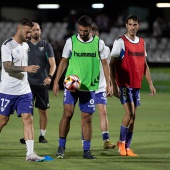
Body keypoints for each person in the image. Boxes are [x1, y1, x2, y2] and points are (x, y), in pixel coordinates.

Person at [53, 15, 111, 159]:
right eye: (80, 30)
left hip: (89, 86)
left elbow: (105, 63)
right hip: (72, 85)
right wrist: (56, 81)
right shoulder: (71, 41)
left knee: (87, 118)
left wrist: (109, 83)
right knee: (67, 113)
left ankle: (86, 150)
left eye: (85, 31)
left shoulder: (99, 43)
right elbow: (64, 61)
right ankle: (61, 147)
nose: (82, 33)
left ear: (91, 29)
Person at [110, 14, 156, 157]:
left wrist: (150, 84)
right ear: (126, 25)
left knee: (134, 117)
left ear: (138, 26)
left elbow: (145, 65)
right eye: (130, 24)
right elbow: (112, 64)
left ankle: (127, 147)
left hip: (136, 85)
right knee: (129, 113)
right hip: (124, 84)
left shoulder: (142, 42)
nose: (132, 27)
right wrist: (114, 84)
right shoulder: (120, 42)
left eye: (135, 24)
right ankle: (121, 143)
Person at [0, 18, 45, 162]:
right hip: (8, 90)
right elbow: (7, 67)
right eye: (27, 32)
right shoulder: (7, 45)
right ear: (19, 29)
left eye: (31, 32)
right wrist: (26, 69)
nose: (29, 35)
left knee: (28, 119)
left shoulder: (25, 45)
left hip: (24, 90)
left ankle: (30, 153)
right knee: (3, 120)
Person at [20, 22, 56, 144]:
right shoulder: (24, 45)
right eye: (34, 30)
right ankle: (27, 136)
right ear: (30, 31)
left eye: (38, 30)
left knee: (43, 110)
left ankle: (42, 135)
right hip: (27, 84)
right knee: (27, 112)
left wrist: (50, 77)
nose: (37, 32)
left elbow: (53, 64)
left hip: (42, 83)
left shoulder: (46, 46)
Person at [90, 25, 116, 149]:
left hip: (100, 86)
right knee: (86, 115)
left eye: (95, 35)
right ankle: (86, 143)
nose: (94, 38)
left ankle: (106, 141)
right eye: (92, 36)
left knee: (103, 112)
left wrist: (109, 84)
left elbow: (108, 67)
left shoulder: (105, 49)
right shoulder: (84, 49)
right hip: (87, 87)